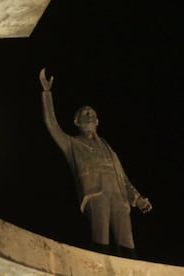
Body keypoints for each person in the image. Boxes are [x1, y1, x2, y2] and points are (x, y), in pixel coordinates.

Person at [39, 68, 152, 258]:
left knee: (126, 240)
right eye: (84, 113)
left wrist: (137, 198)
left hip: (119, 196)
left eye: (92, 112)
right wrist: (47, 94)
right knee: (101, 237)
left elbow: (123, 178)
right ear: (76, 121)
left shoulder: (109, 148)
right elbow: (52, 125)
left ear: (97, 121)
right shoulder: (72, 144)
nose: (89, 114)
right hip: (95, 193)